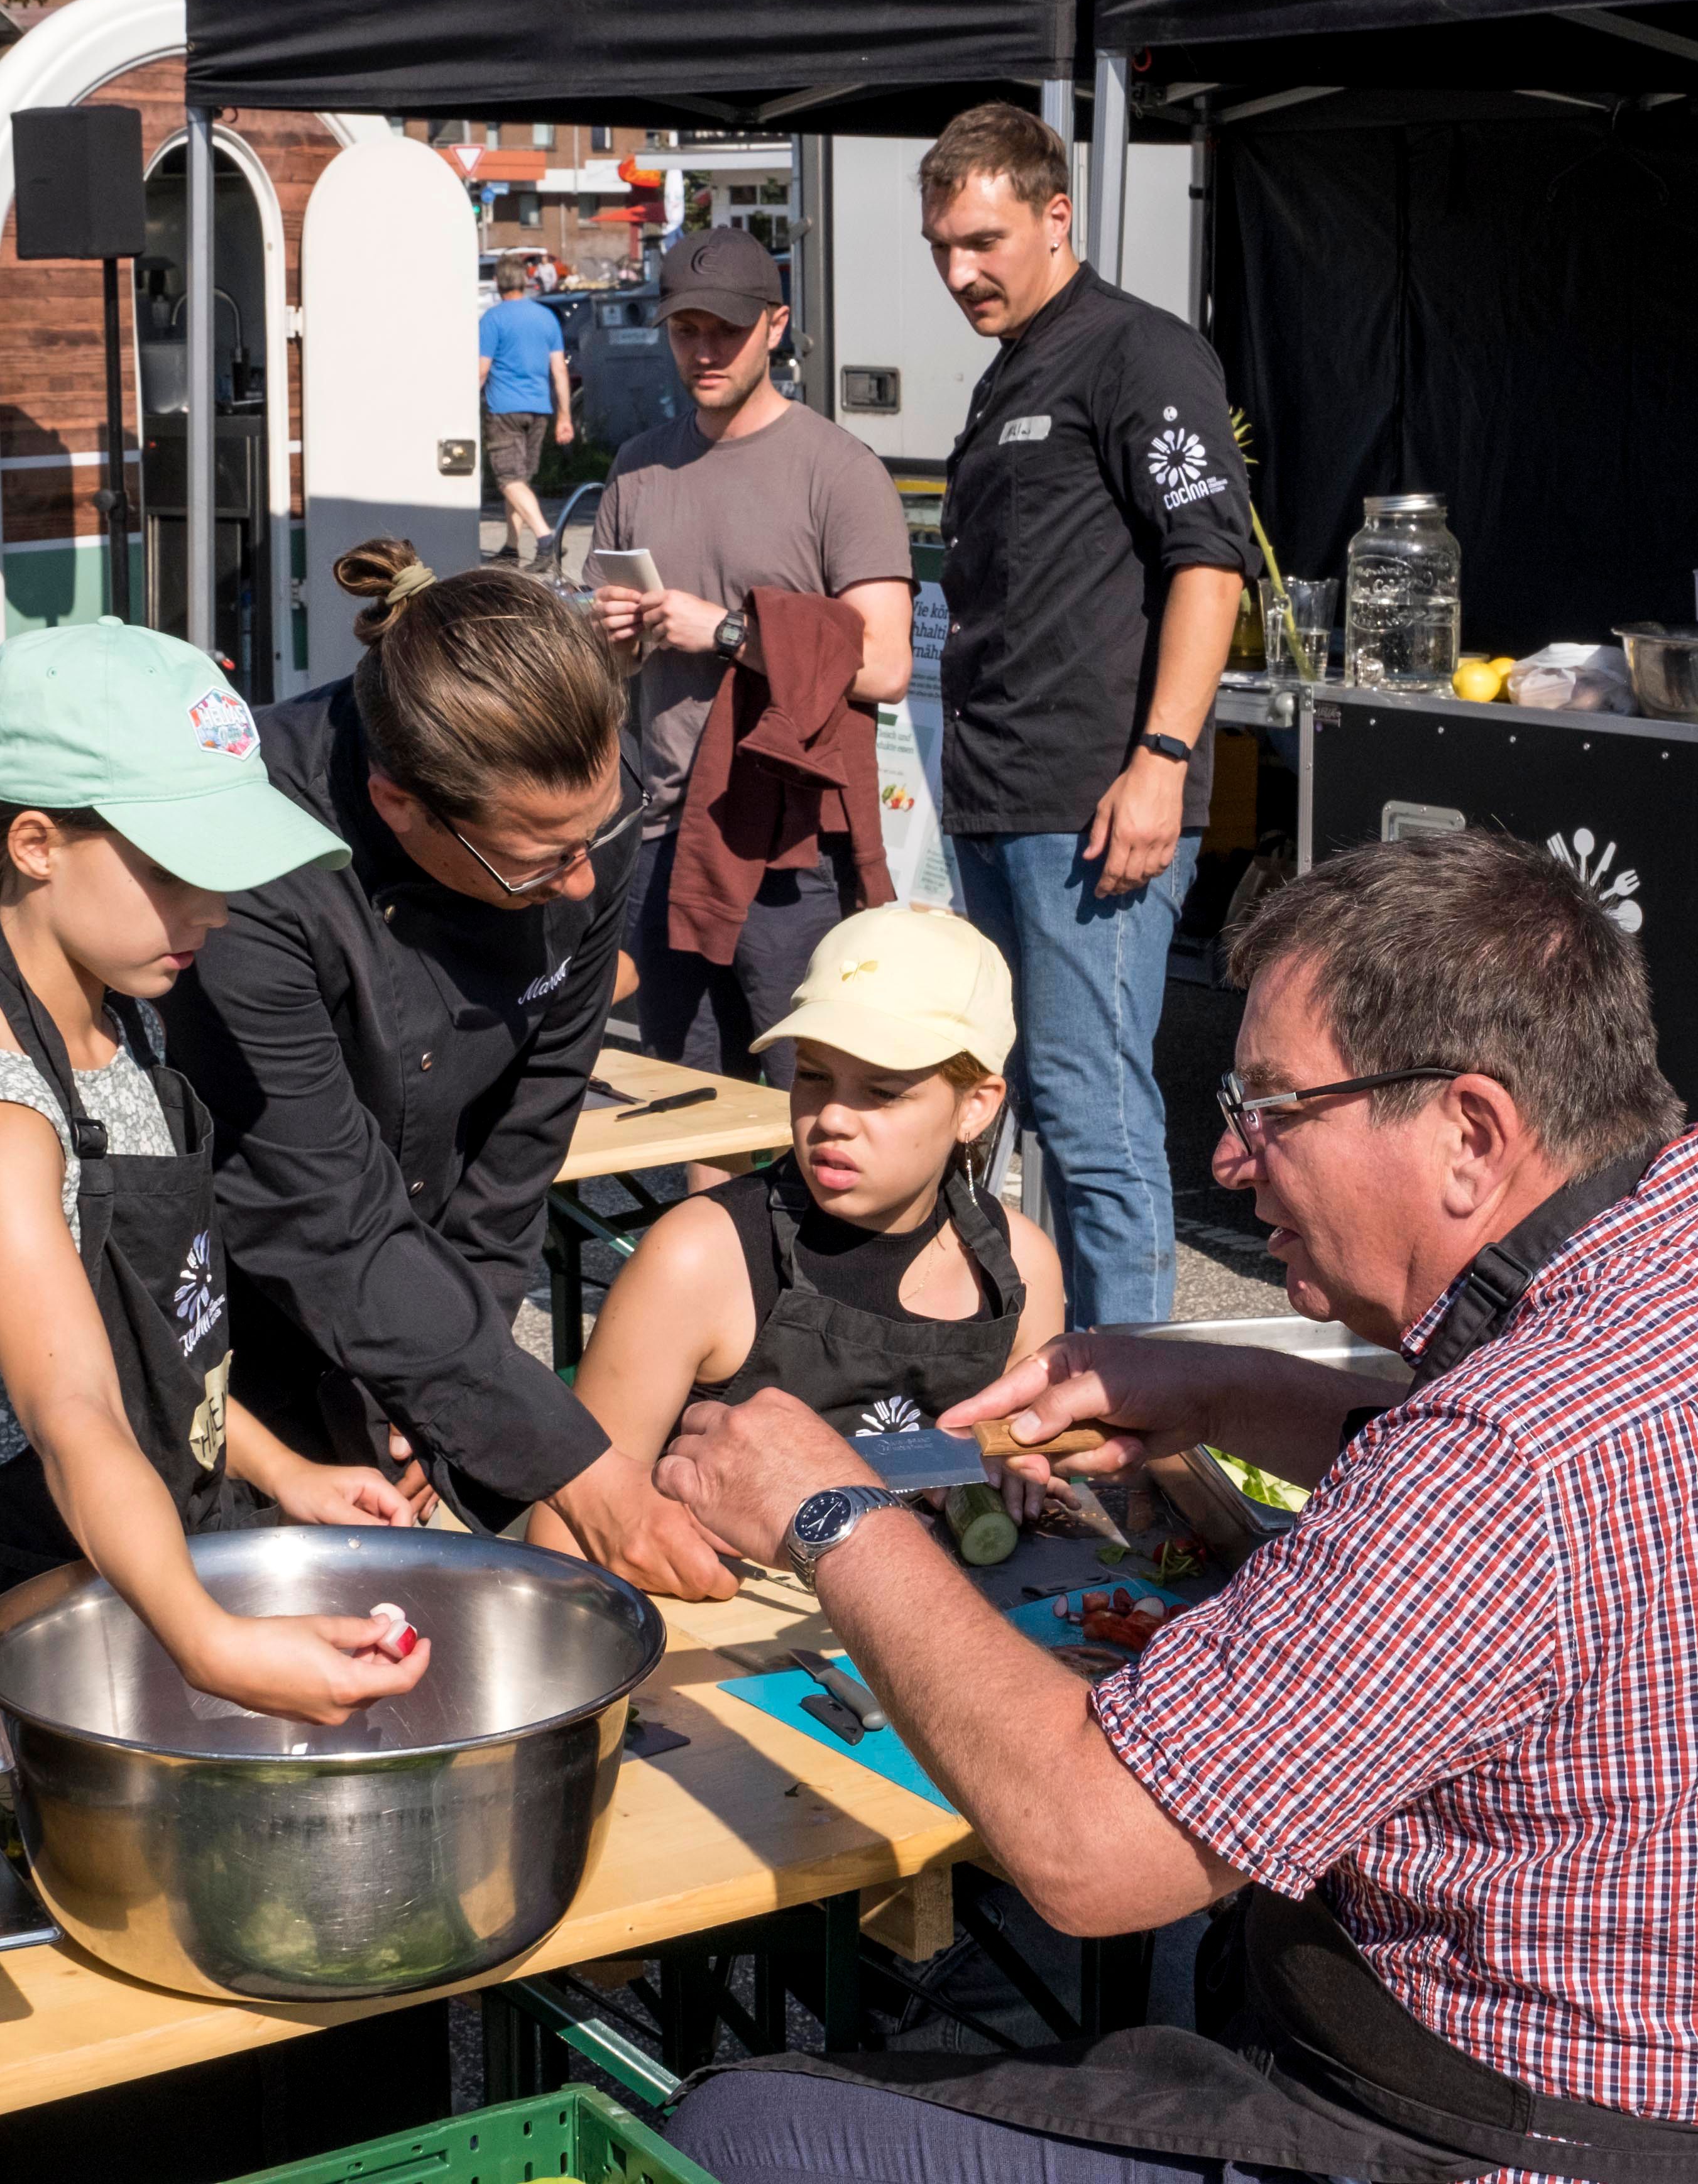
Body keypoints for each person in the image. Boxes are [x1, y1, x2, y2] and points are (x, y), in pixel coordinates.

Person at [654, 834, 1698, 2184]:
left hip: (1538, 2150)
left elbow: (1087, 1847)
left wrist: (835, 1511)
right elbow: (1592, 1508)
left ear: (1470, 1133)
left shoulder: (1498, 1462)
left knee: (737, 2129)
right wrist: (1230, 1390)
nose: (1232, 1163)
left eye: (1272, 1108)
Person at [0, 621, 430, 1719]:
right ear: (35, 844)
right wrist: (211, 1647)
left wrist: (283, 1470)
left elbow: (164, 1344)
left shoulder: (126, 1030)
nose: (214, 910)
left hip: (168, 1546)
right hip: (57, 1595)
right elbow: (75, 1412)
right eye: (178, 873)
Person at [163, 542, 733, 1600]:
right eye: (535, 863)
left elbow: (521, 1144)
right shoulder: (255, 870)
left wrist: (444, 1398)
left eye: (598, 835)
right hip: (226, 1322)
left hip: (411, 1279)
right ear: (399, 805)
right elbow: (319, 1215)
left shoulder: (567, 826)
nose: (581, 884)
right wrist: (575, 1467)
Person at [917, 102, 1249, 1329]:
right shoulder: (1016, 367)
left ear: (1059, 216)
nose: (962, 272)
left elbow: (1209, 564)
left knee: (1093, 1117)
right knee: (1013, 1105)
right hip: (996, 800)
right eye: (943, 246)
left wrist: (1161, 758)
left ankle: (1137, 1444)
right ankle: (1039, 1397)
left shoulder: (1137, 353)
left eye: (986, 241)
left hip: (1093, 806)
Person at [529, 907, 1058, 1541]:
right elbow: (569, 1532)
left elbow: (1025, 1448)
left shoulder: (1018, 1266)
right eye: (811, 1075)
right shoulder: (700, 1257)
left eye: (883, 1090)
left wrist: (1016, 1463)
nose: (832, 1116)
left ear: (976, 1105)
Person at [595, 226, 915, 1097]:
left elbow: (886, 663)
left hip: (788, 849)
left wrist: (730, 634)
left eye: (725, 330)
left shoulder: (838, 470)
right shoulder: (637, 470)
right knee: (694, 1107)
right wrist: (613, 643)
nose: (703, 351)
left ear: (774, 326)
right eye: (685, 329)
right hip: (663, 834)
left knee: (809, 1100)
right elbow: (612, 678)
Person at [475, 256, 571, 560]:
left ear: (498, 283)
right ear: (526, 281)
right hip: (539, 409)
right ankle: (512, 546)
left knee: (508, 479)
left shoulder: (493, 319)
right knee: (519, 480)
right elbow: (559, 370)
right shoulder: (546, 317)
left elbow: (481, 370)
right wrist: (565, 416)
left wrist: (461, 407)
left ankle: (546, 539)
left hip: (505, 408)